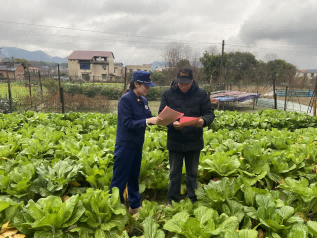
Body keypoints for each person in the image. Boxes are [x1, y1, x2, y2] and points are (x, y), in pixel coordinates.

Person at [158, 67, 215, 205]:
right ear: (176, 81)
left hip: (193, 141)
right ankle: (173, 201)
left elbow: (210, 113)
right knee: (174, 174)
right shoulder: (168, 94)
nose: (183, 86)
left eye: (186, 83)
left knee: (192, 174)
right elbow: (161, 116)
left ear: (192, 81)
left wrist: (204, 121)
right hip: (175, 141)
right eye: (180, 83)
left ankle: (193, 200)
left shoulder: (201, 94)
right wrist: (172, 124)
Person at [111, 70, 160, 215]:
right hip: (125, 145)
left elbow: (149, 118)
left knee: (134, 177)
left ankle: (134, 206)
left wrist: (162, 119)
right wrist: (148, 121)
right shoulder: (125, 100)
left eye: (149, 85)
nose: (148, 88)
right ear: (136, 84)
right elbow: (128, 123)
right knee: (119, 180)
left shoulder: (143, 101)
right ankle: (116, 209)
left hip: (137, 145)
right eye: (145, 85)